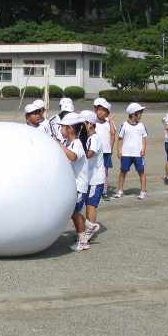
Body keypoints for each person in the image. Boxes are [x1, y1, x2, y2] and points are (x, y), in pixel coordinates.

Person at [58, 113, 89, 251]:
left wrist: (60, 146)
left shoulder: (77, 143)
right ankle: (89, 225)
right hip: (72, 185)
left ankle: (83, 241)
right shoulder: (67, 143)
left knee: (74, 213)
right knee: (72, 211)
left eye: (62, 127)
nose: (60, 130)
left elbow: (73, 156)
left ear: (70, 128)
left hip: (79, 186)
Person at [114, 103, 148, 200]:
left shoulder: (141, 125)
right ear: (133, 114)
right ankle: (120, 190)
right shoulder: (124, 125)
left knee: (141, 172)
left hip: (138, 154)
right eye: (139, 112)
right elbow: (120, 138)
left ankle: (143, 191)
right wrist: (119, 150)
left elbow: (144, 138)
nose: (141, 115)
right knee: (123, 171)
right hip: (126, 153)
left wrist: (143, 149)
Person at [81, 110, 104, 242]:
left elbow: (90, 154)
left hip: (96, 179)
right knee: (88, 204)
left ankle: (89, 231)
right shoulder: (90, 138)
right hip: (90, 178)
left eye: (83, 123)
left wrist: (77, 154)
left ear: (90, 124)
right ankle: (87, 229)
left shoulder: (94, 138)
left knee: (91, 205)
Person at [93, 98, 116, 199]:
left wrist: (111, 148)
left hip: (106, 151)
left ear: (107, 113)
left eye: (103, 110)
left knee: (105, 171)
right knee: (94, 169)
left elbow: (113, 134)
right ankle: (93, 189)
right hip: (95, 151)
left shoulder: (108, 123)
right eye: (99, 110)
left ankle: (104, 191)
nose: (101, 112)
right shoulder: (93, 122)